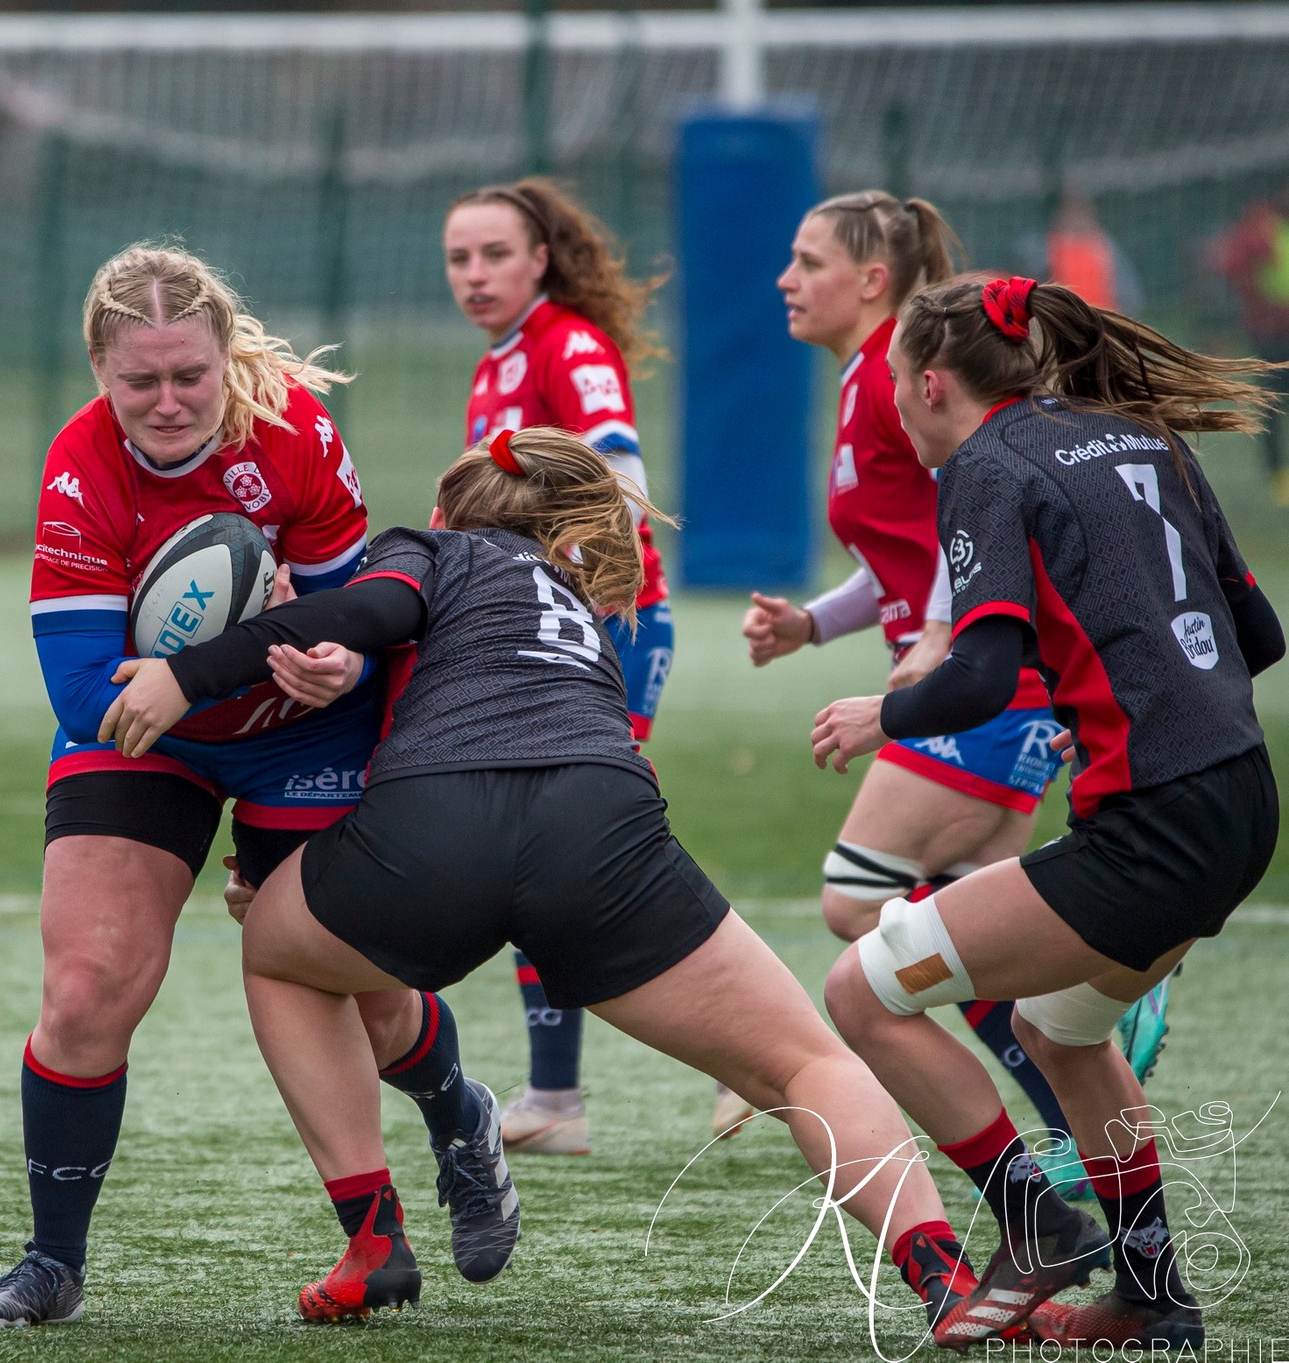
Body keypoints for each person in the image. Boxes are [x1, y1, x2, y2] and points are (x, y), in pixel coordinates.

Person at [98, 425, 984, 1332]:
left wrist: (188, 675)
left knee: (280, 953)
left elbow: (362, 616)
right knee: (806, 1062)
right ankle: (948, 1279)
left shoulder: (430, 550)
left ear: (446, 515)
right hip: (600, 824)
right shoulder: (573, 596)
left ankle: (373, 1238)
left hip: (440, 822)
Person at [0, 243, 518, 1328]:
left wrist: (340, 667)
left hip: (301, 732)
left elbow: (364, 624)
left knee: (362, 991)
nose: (166, 402)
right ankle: (52, 1263)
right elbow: (83, 693)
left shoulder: (295, 431)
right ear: (98, 370)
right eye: (139, 381)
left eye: (189, 376)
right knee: (86, 987)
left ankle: (459, 1114)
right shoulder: (79, 467)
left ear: (224, 360)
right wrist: (228, 662)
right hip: (146, 734)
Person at [815, 275, 1282, 1347]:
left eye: (895, 382)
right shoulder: (1141, 435)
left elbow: (980, 676)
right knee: (1058, 1032)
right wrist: (1116, 711)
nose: (894, 401)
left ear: (932, 383)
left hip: (1152, 831)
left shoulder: (986, 464)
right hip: (1240, 801)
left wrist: (883, 713)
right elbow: (1256, 636)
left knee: (860, 992)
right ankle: (1153, 1298)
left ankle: (1038, 1221)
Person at [749, 191, 1166, 1193]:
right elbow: (901, 551)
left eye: (808, 261)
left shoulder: (901, 377)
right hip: (983, 682)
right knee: (966, 911)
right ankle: (1073, 1098)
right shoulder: (866, 380)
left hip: (988, 681)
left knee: (857, 899)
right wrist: (814, 624)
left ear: (871, 280)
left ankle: (1101, 988)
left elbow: (974, 503)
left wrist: (941, 631)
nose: (785, 279)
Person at [442, 177, 699, 1151]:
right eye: (459, 258)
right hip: (554, 624)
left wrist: (582, 593)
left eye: (494, 254)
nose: (474, 274)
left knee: (596, 841)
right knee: (547, 840)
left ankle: (744, 1050)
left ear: (539, 259)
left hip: (610, 623)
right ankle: (555, 1099)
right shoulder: (496, 363)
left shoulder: (569, 345)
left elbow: (620, 476)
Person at [1211, 184, 1289, 502]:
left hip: (1275, 326)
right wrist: (1257, 299)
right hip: (1271, 331)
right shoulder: (1258, 229)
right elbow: (1230, 264)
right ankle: (1277, 472)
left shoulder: (1274, 228)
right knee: (1271, 401)